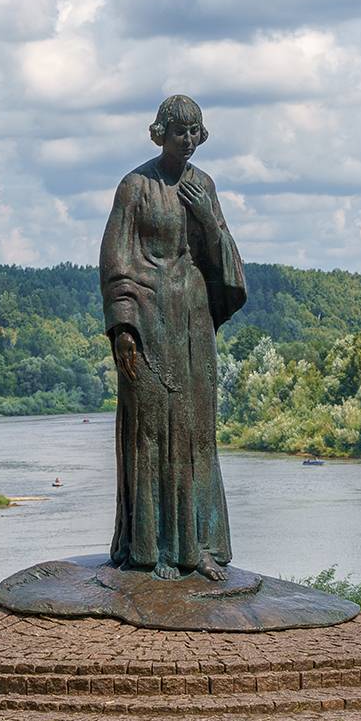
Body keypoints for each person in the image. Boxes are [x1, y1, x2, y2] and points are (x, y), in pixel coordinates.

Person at [100, 95, 247, 581]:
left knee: (196, 434)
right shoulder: (135, 186)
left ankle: (200, 547)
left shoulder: (204, 186)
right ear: (159, 131)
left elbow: (225, 258)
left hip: (192, 323)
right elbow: (115, 258)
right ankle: (150, 548)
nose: (186, 141)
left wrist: (206, 218)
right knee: (151, 432)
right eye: (178, 131)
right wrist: (123, 326)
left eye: (194, 132)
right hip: (147, 322)